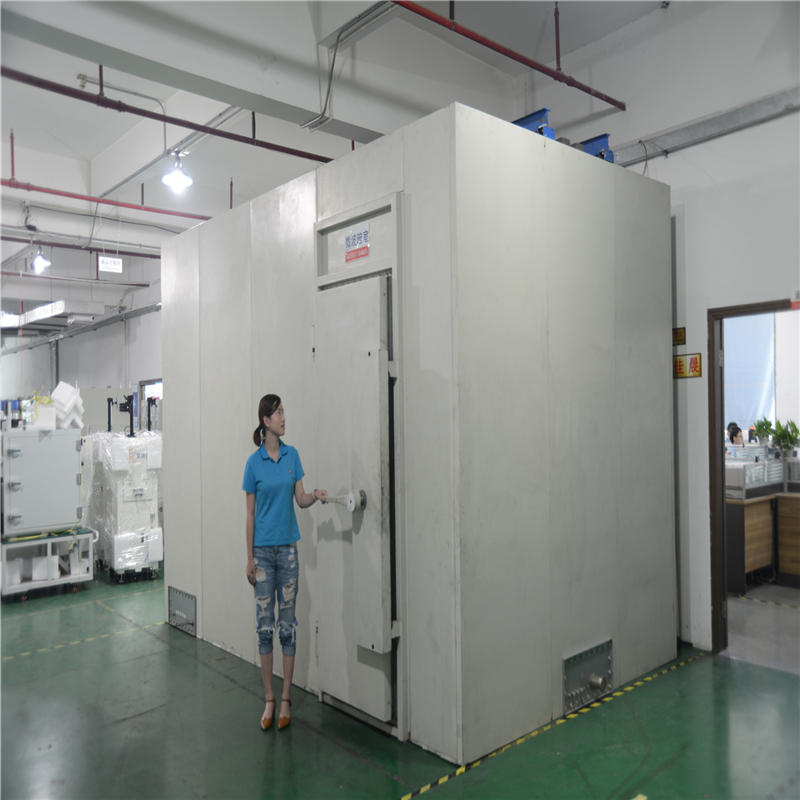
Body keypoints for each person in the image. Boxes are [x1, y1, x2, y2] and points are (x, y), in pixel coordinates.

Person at [243, 394, 327, 731]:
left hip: (288, 552)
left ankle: (287, 697)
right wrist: (249, 558)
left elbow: (300, 499)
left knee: (287, 626)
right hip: (263, 554)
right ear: (266, 421)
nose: (283, 418)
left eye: (283, 412)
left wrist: (314, 497)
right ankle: (269, 698)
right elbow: (250, 515)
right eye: (278, 413)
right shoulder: (253, 464)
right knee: (265, 627)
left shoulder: (293, 456)